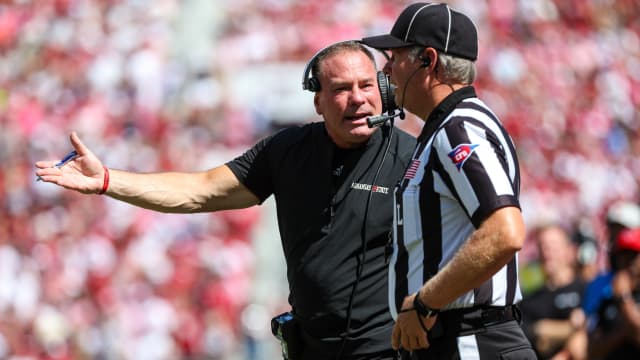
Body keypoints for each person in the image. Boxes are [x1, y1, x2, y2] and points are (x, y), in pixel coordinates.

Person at [34, 40, 417, 359]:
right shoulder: (288, 150)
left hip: (385, 349)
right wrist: (107, 180)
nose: (357, 99)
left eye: (366, 86)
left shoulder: (412, 159)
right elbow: (199, 190)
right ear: (317, 102)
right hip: (310, 349)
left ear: (383, 90)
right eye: (341, 89)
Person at [361, 3, 536, 359]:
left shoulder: (459, 128)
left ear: (429, 60)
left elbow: (505, 231)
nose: (387, 69)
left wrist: (425, 303)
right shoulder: (447, 127)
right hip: (457, 340)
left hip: (472, 340)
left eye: (395, 57)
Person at [519, 224, 587, 360]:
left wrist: (548, 332)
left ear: (570, 250)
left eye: (553, 246)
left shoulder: (586, 290)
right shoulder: (529, 301)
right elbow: (533, 336)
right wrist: (572, 328)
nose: (546, 252)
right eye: (542, 246)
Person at [585, 228, 640, 359]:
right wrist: (622, 333)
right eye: (623, 255)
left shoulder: (620, 296)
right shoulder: (606, 297)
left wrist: (624, 299)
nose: (628, 261)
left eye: (633, 255)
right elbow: (591, 350)